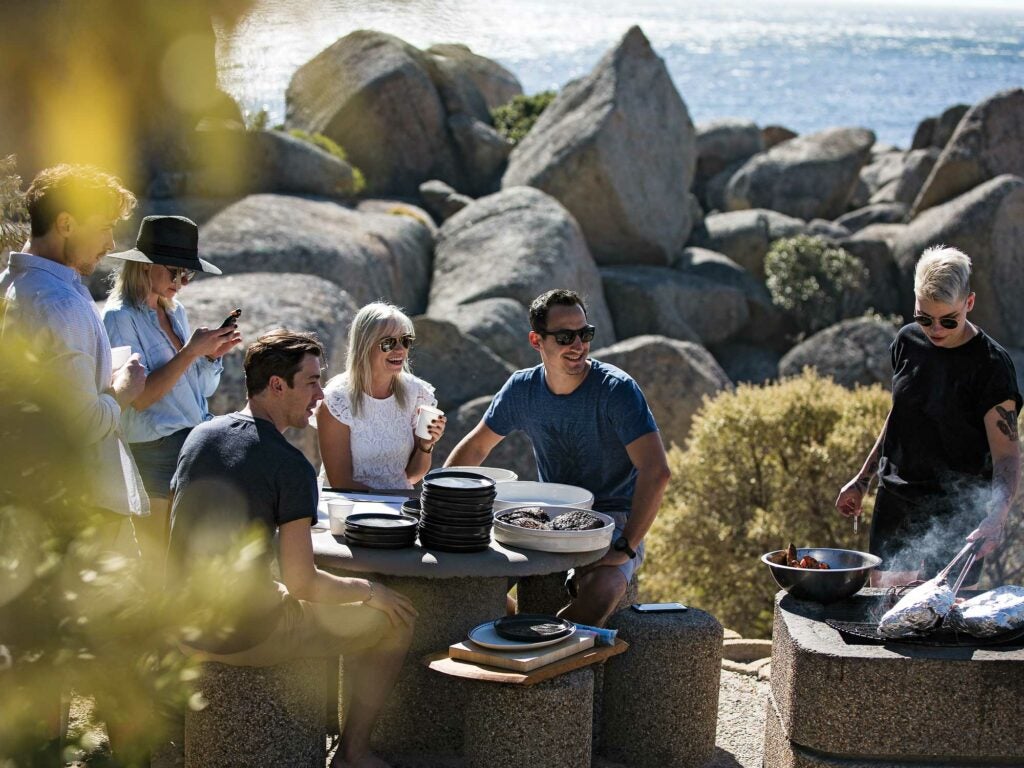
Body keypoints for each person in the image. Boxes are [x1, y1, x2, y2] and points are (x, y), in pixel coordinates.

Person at [168, 329, 416, 768]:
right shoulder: (289, 465)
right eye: (312, 382)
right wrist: (370, 591)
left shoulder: (199, 437)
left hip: (181, 624)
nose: (321, 394)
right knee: (395, 621)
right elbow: (302, 582)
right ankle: (352, 752)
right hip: (246, 635)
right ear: (277, 386)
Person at [446, 289, 671, 626]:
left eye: (585, 334)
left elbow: (656, 471)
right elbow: (475, 448)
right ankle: (520, 629)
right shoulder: (522, 390)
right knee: (470, 580)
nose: (578, 345)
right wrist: (445, 506)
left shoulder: (616, 390)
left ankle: (546, 646)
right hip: (546, 517)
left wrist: (624, 547)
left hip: (613, 519)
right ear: (537, 341)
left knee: (605, 588)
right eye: (565, 336)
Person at [836, 246, 1021, 587]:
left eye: (948, 320)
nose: (935, 329)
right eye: (925, 318)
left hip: (956, 512)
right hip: (896, 499)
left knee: (941, 622)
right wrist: (863, 480)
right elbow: (901, 413)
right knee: (884, 613)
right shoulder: (906, 341)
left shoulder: (992, 367)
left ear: (969, 303)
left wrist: (998, 515)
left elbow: (1007, 455)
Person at [2, 163, 149, 539]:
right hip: (82, 515)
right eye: (104, 227)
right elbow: (81, 426)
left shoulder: (10, 285)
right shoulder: (60, 304)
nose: (111, 244)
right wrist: (124, 390)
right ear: (66, 224)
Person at [103, 215, 241, 566]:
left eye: (188, 273)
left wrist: (209, 358)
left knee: (189, 556)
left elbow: (201, 390)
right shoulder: (119, 318)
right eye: (174, 271)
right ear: (145, 267)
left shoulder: (174, 311)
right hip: (155, 450)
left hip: (192, 440)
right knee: (156, 560)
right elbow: (140, 396)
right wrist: (190, 352)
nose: (182, 282)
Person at [317, 302, 445, 490]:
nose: (400, 350)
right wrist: (388, 503)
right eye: (388, 343)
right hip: (350, 506)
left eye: (406, 340)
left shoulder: (417, 393)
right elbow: (340, 482)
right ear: (364, 346)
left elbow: (412, 476)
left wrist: (426, 445)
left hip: (398, 508)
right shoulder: (337, 399)